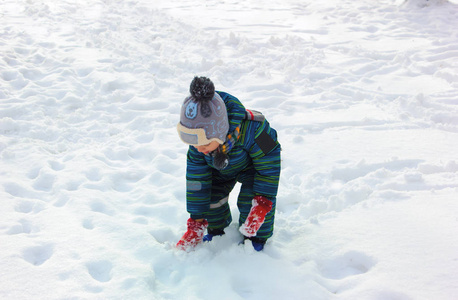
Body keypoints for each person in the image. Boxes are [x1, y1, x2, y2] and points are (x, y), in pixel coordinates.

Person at [176, 76, 281, 251]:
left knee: (251, 204)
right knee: (211, 199)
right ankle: (216, 230)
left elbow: (271, 159)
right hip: (219, 170)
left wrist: (263, 201)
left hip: (253, 170)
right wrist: (196, 221)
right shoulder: (199, 147)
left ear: (220, 133)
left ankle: (256, 239)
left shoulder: (254, 129)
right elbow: (196, 182)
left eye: (205, 144)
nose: (199, 149)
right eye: (193, 143)